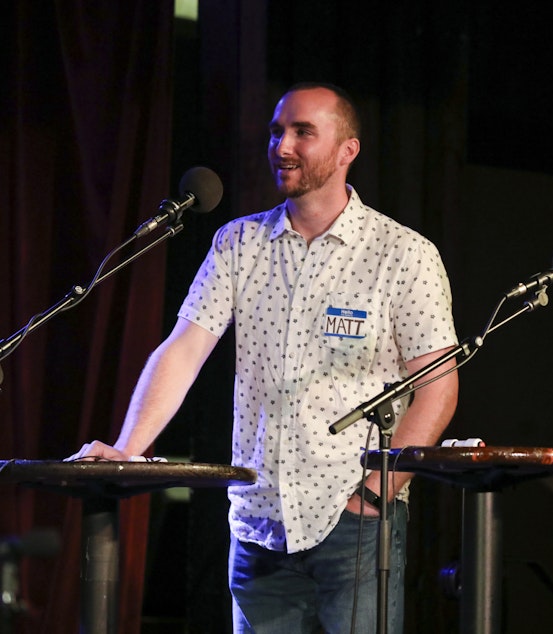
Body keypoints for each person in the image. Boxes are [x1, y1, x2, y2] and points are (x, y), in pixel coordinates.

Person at [68, 82, 460, 633]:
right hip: (257, 524)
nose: (283, 146)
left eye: (303, 132)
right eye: (278, 131)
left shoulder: (403, 254)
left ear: (348, 150)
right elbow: (184, 348)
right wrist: (129, 448)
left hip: (352, 523)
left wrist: (374, 496)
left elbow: (439, 385)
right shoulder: (240, 242)